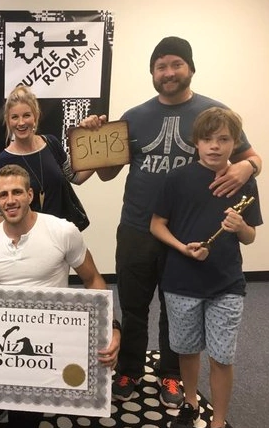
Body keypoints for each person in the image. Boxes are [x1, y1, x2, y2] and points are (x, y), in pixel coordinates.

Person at [80, 36, 263, 408]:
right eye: (160, 66)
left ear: (190, 68)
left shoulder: (214, 113)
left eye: (176, 64)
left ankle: (171, 374)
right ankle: (129, 368)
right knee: (133, 304)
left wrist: (248, 166)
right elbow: (107, 174)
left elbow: (252, 157)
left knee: (177, 307)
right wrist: (95, 138)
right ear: (152, 73)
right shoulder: (133, 117)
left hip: (187, 233)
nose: (168, 72)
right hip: (136, 226)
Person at [0, 164, 121, 428]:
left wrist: (111, 328)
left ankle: (8, 405)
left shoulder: (63, 231)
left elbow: (93, 279)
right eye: (3, 194)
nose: (10, 200)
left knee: (22, 420)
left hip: (52, 339)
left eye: (17, 192)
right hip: (6, 337)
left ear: (30, 195)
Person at [150, 107, 262, 428]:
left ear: (235, 142)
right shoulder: (177, 179)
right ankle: (190, 402)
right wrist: (182, 247)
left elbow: (251, 236)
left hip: (226, 284)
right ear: (196, 142)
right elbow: (157, 225)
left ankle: (218, 421)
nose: (215, 146)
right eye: (207, 139)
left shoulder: (243, 181)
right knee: (187, 351)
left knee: (222, 357)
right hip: (181, 281)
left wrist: (240, 226)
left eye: (223, 139)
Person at [0, 85, 93, 224]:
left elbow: (76, 177)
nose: (21, 122)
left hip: (61, 231)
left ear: (35, 116)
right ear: (8, 121)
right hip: (26, 235)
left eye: (26, 115)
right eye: (15, 117)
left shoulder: (51, 143)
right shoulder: (3, 160)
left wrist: (101, 153)